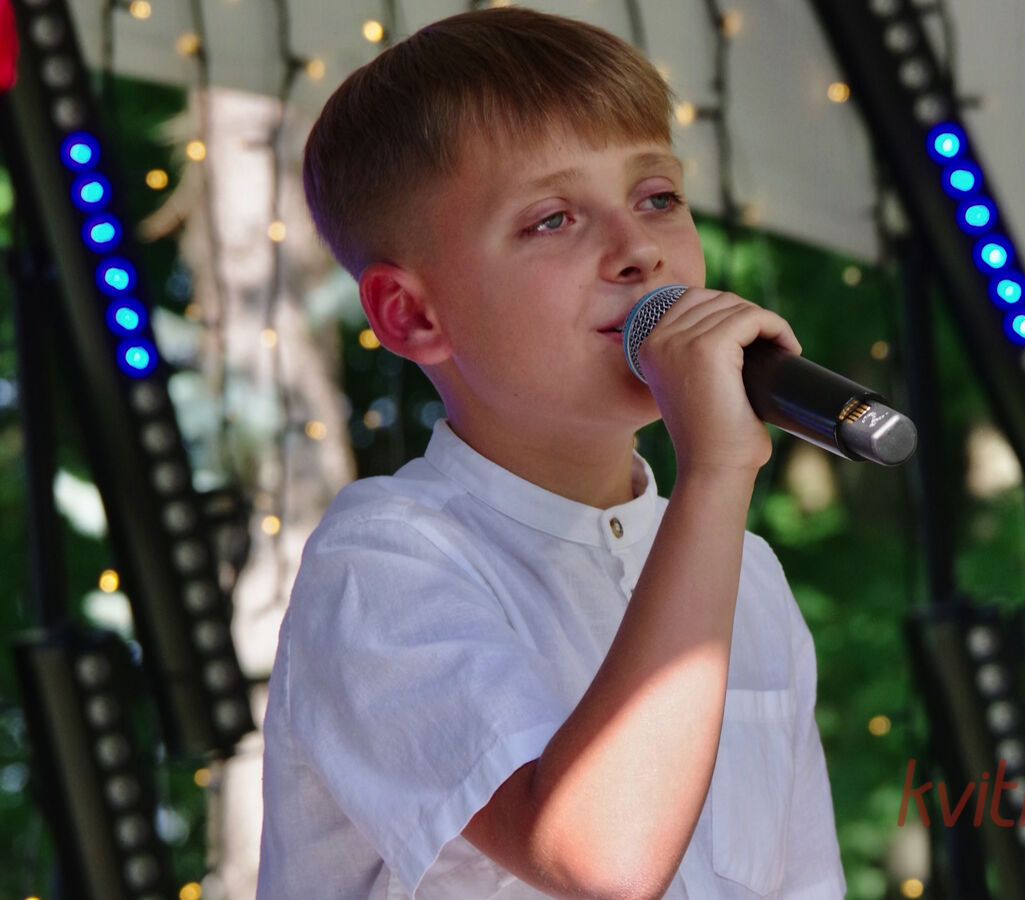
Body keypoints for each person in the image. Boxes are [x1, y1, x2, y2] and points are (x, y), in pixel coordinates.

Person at [257, 7, 846, 898]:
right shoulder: (383, 562)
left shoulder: (747, 574)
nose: (637, 249)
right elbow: (602, 859)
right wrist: (717, 472)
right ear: (412, 316)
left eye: (657, 198)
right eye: (553, 219)